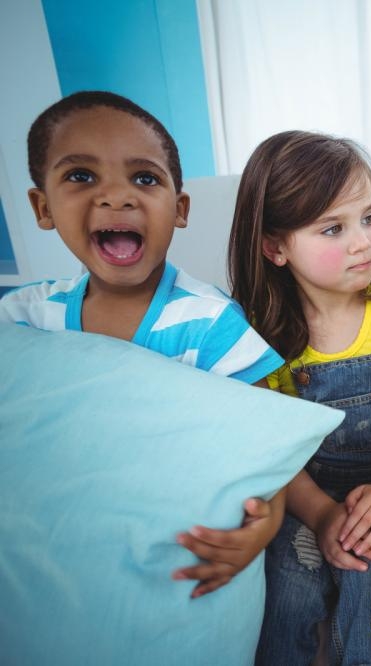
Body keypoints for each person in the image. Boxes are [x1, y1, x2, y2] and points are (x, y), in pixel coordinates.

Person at [0, 90, 286, 598]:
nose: (117, 196)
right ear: (42, 207)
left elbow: (268, 442)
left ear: (179, 209)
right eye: (81, 176)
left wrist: (266, 523)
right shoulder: (23, 317)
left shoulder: (209, 320)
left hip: (164, 552)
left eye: (144, 178)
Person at [227, 130, 371, 666]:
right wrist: (322, 514)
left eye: (369, 218)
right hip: (304, 496)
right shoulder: (259, 338)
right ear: (275, 247)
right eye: (333, 228)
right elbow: (268, 446)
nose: (363, 241)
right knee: (289, 585)